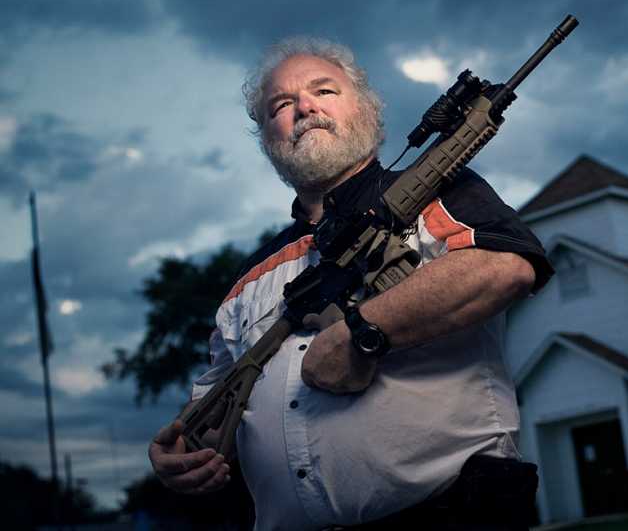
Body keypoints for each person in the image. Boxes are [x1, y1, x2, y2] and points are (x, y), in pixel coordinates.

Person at [148, 37, 553, 530]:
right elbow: (215, 413)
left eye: (324, 91)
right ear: (268, 139)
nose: (304, 107)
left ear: (367, 111)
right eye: (282, 103)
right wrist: (182, 454)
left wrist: (361, 330)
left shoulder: (444, 192)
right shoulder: (247, 280)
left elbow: (505, 266)